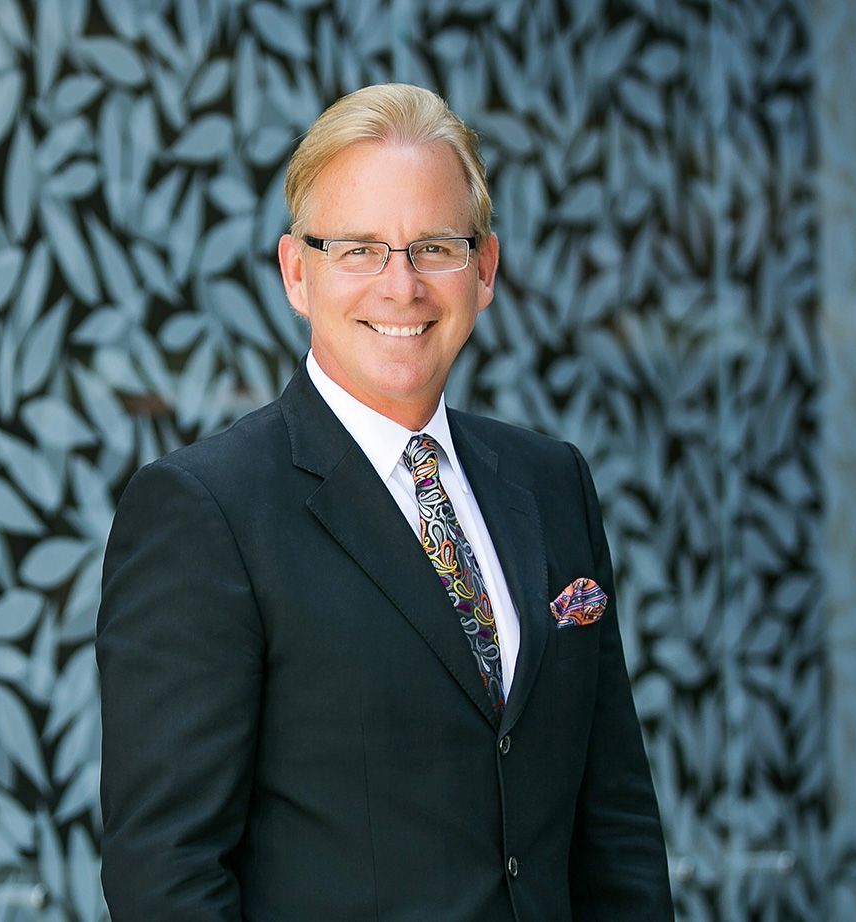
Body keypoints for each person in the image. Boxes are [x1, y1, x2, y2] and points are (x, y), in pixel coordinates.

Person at [97, 83, 674, 921]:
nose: (400, 287)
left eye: (434, 246)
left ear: (484, 270)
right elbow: (168, 876)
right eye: (359, 249)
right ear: (299, 272)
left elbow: (615, 824)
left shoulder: (553, 484)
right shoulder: (205, 514)